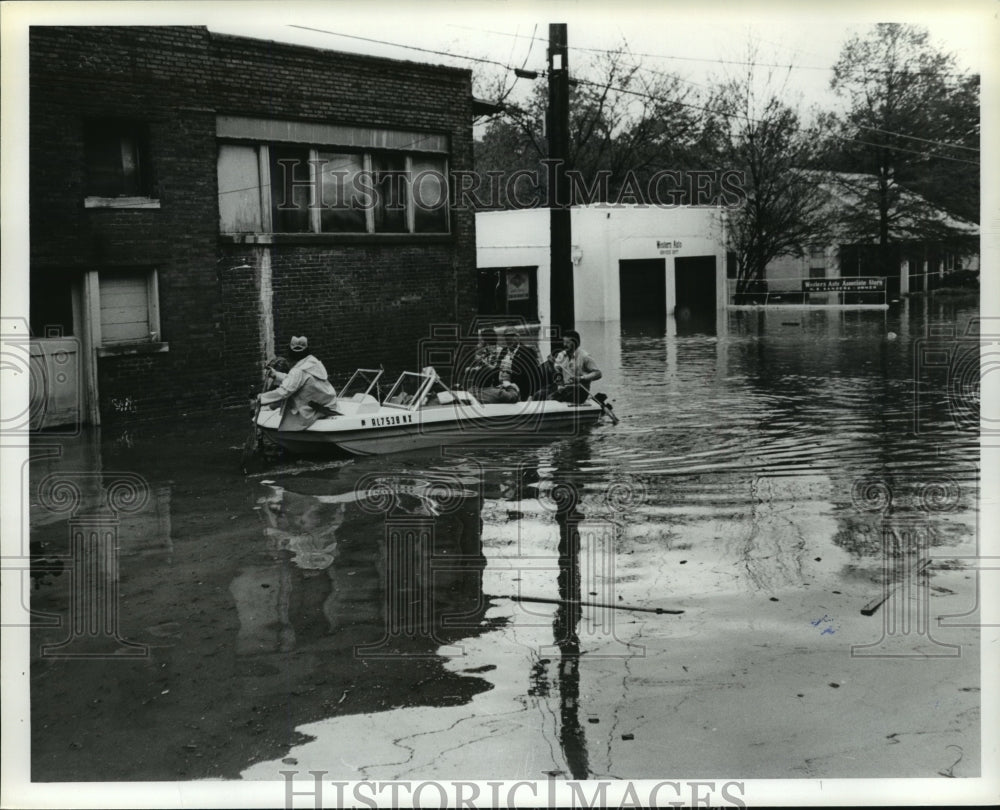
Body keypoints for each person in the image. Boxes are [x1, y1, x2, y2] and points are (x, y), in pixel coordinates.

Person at [258, 335, 338, 430]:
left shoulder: (298, 370)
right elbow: (295, 381)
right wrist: (276, 375)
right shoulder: (313, 362)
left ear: (290, 352)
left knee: (286, 421)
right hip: (328, 405)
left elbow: (284, 391)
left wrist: (260, 398)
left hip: (313, 411)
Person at [547, 329, 602, 404]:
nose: (564, 345)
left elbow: (598, 374)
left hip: (580, 390)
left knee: (552, 398)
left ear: (576, 343)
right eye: (564, 342)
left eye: (567, 343)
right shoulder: (561, 355)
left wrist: (581, 378)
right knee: (540, 394)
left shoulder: (585, 356)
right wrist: (551, 364)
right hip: (565, 389)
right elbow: (557, 372)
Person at [496, 326, 542, 401]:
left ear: (518, 337)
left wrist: (531, 395)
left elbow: (535, 375)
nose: (509, 339)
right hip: (503, 391)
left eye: (512, 336)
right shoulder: (504, 351)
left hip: (521, 392)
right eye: (507, 337)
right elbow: (497, 369)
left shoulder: (527, 352)